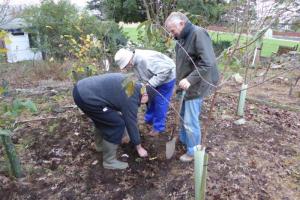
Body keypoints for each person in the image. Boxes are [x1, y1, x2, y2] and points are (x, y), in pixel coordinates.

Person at [165, 12, 219, 162]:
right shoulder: (181, 38)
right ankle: (184, 140)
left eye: (172, 29)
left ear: (182, 23)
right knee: (183, 115)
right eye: (170, 31)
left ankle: (193, 151)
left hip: (196, 85)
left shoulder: (198, 34)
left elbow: (208, 62)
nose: (171, 33)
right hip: (185, 85)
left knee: (190, 120)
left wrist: (190, 79)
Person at [73, 73, 154, 169]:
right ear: (144, 95)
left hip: (81, 88)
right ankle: (109, 161)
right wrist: (139, 147)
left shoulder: (133, 82)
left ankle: (100, 146)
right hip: (87, 97)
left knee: (105, 118)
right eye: (146, 102)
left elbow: (116, 101)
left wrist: (125, 135)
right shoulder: (131, 97)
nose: (143, 104)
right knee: (117, 124)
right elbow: (131, 122)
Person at [114, 48, 176, 137]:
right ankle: (149, 119)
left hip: (167, 78)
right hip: (153, 77)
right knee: (150, 100)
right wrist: (142, 91)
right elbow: (139, 78)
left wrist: (149, 85)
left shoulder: (146, 59)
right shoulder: (134, 63)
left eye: (125, 65)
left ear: (129, 61)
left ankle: (158, 127)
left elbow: (166, 70)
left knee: (160, 102)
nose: (126, 68)